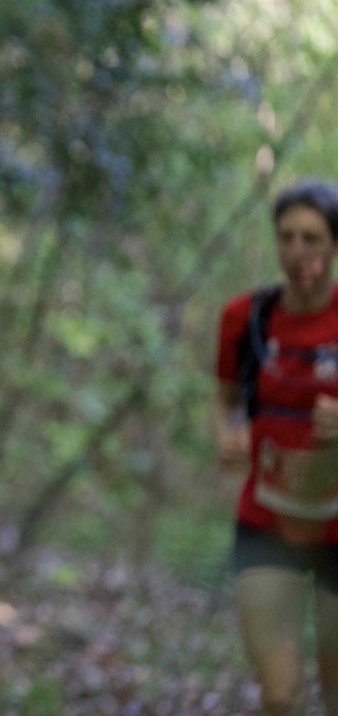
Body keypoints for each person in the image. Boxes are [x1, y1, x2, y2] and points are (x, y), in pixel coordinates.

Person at [213, 177, 338, 716]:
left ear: (334, 244)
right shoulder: (246, 318)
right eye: (286, 237)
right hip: (267, 520)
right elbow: (225, 397)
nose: (297, 251)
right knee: (280, 696)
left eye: (311, 238)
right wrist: (229, 430)